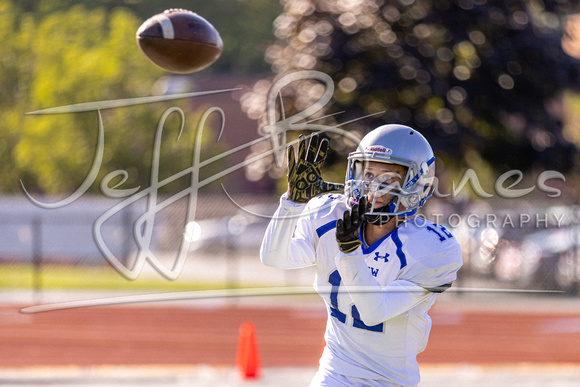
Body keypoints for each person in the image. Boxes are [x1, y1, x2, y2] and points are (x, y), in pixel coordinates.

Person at [260, 124, 463, 387]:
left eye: (388, 177)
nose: (373, 185)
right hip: (333, 374)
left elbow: (374, 311)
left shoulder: (432, 247)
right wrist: (291, 204)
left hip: (389, 381)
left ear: (416, 182)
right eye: (368, 173)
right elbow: (274, 257)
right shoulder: (330, 214)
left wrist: (350, 251)